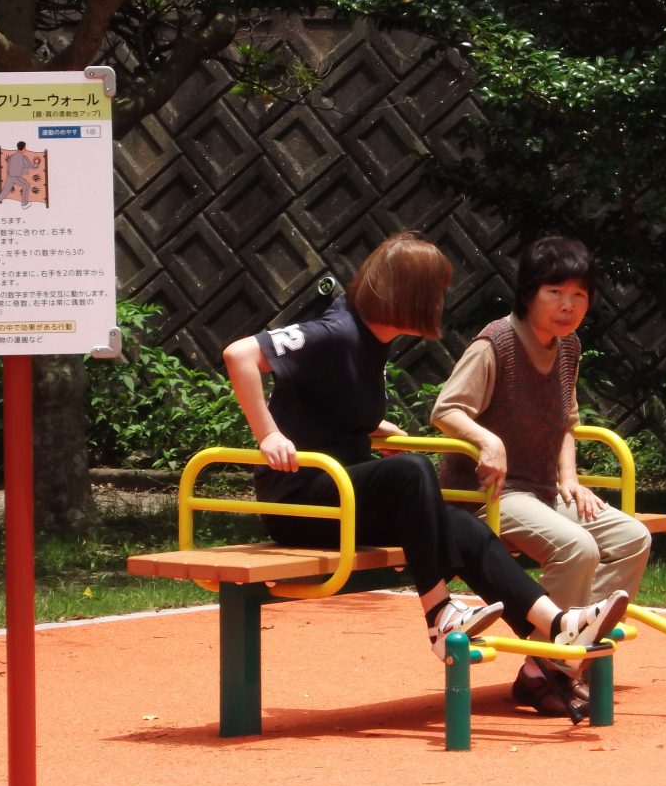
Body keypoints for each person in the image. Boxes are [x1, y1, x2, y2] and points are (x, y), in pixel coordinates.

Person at [222, 231, 626, 674]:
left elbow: (320, 400)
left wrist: (367, 424)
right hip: (301, 503)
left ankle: (557, 625)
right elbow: (238, 353)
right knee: (413, 471)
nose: (440, 301)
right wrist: (268, 436)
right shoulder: (335, 332)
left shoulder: (370, 340)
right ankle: (439, 615)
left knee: (461, 525)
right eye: (435, 291)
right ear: (409, 294)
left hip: (341, 497)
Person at [432, 235, 651, 716]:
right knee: (577, 547)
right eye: (555, 292)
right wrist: (488, 441)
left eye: (579, 295)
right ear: (529, 292)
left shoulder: (567, 347)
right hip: (487, 496)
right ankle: (553, 663)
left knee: (632, 536)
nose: (567, 306)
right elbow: (446, 409)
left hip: (542, 490)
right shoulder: (496, 344)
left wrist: (569, 477)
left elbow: (566, 422)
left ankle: (549, 668)